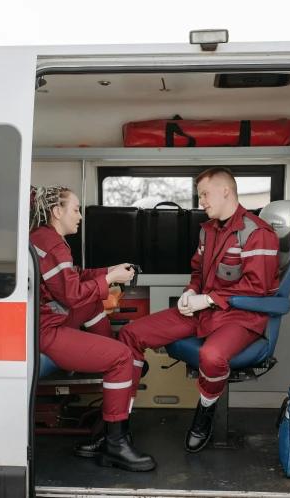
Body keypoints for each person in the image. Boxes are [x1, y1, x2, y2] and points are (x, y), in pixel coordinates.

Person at [118, 167, 280, 452]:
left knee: (212, 356)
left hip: (240, 317)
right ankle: (119, 424)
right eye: (200, 195)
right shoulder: (208, 231)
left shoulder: (258, 233)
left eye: (205, 194)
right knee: (131, 334)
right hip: (204, 311)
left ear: (226, 190)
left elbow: (257, 286)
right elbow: (198, 271)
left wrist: (207, 299)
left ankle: (204, 412)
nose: (201, 201)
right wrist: (191, 291)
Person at [30, 185, 156, 472]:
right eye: (76, 210)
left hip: (46, 320)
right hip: (45, 332)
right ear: (57, 212)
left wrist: (108, 271)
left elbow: (72, 279)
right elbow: (72, 294)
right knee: (123, 357)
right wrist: (111, 277)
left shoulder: (42, 237)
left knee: (93, 305)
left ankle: (106, 359)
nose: (80, 217)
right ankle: (115, 444)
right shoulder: (54, 244)